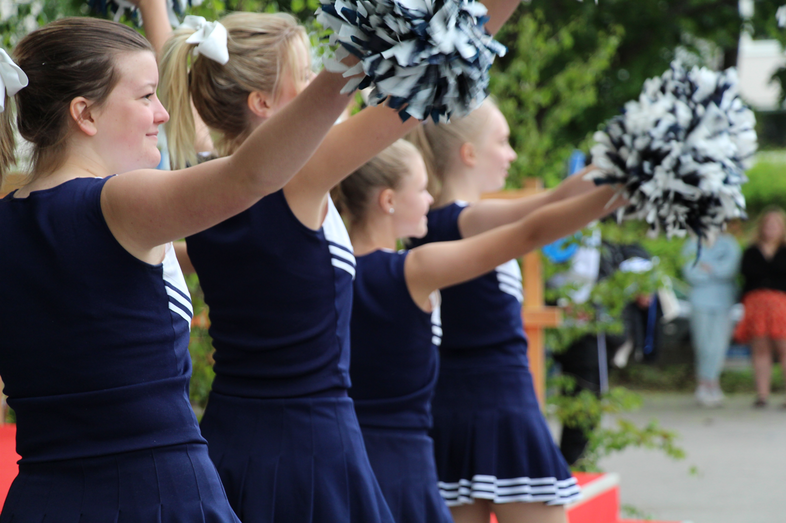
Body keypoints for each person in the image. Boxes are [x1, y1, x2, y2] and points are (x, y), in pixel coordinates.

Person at [157, 4, 519, 522]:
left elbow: (179, 63)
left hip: (227, 436)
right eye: (305, 76)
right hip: (309, 441)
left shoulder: (199, 183)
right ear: (262, 103)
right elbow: (424, 82)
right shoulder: (297, 180)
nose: (319, 84)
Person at [0, 14, 357, 520]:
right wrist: (355, 57)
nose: (164, 113)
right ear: (86, 114)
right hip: (158, 495)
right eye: (146, 96)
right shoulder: (116, 203)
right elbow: (250, 175)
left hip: (40, 500)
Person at [334, 140, 622, 523]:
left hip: (351, 456)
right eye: (421, 190)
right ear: (388, 200)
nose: (429, 199)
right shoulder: (413, 269)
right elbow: (528, 233)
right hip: (407, 463)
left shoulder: (328, 270)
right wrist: (626, 186)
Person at [407, 99, 610, 523]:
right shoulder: (467, 220)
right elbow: (547, 207)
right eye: (502, 141)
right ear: (469, 154)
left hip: (446, 407)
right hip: (501, 403)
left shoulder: (423, 227)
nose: (512, 154)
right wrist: (630, 164)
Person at [682, 232, 741, 407]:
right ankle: (703, 384)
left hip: (724, 301)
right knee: (703, 344)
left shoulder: (730, 243)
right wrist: (716, 270)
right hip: (699, 300)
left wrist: (708, 267)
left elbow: (730, 270)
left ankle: (712, 383)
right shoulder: (691, 244)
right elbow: (690, 272)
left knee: (719, 345)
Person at [734, 208, 786, 408]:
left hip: (781, 304)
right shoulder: (751, 251)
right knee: (760, 348)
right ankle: (762, 394)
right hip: (756, 304)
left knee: (783, 349)